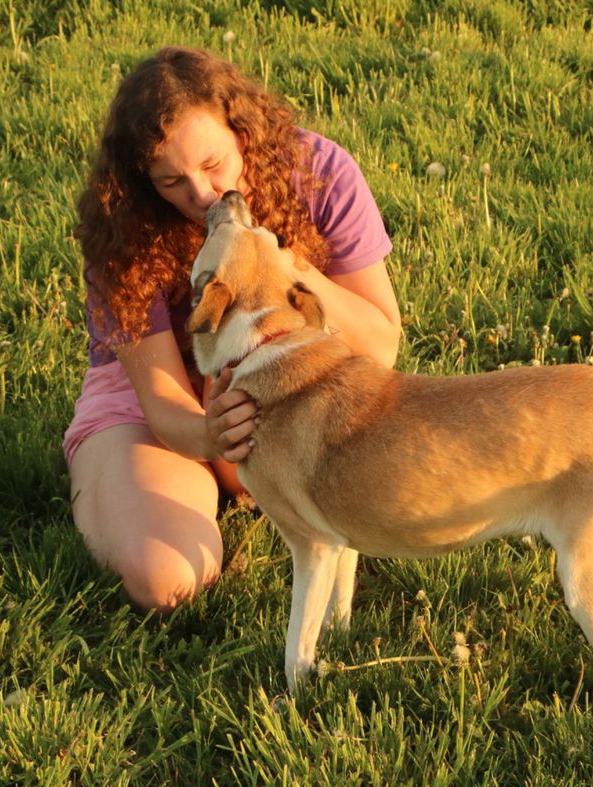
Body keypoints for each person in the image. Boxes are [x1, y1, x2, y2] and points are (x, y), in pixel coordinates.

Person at [65, 46, 402, 613]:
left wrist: (289, 266)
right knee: (166, 579)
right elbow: (165, 401)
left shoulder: (320, 171)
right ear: (143, 180)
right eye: (171, 181)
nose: (201, 195)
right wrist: (210, 436)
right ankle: (141, 473)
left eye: (214, 164)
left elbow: (380, 345)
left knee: (417, 500)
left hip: (290, 377)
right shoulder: (121, 220)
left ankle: (241, 479)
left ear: (242, 130)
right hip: (162, 410)